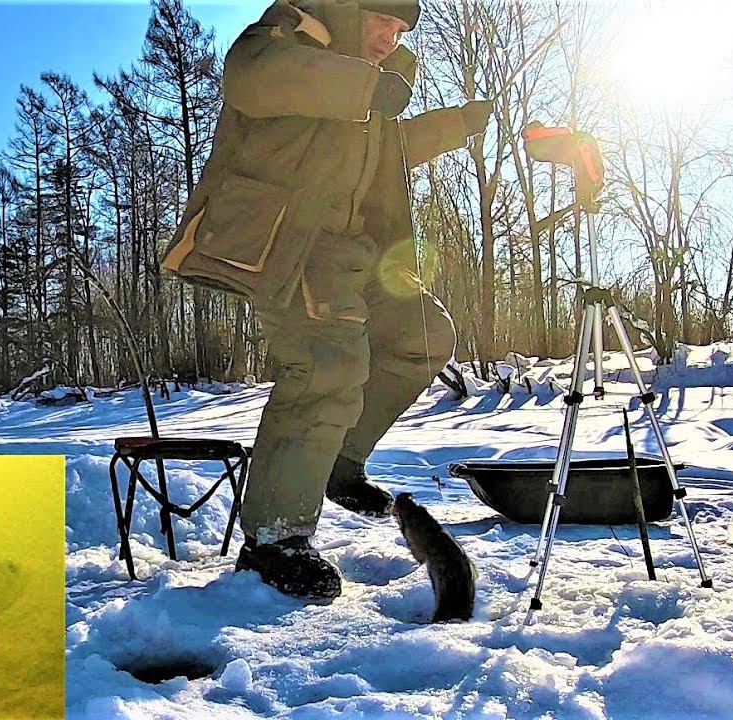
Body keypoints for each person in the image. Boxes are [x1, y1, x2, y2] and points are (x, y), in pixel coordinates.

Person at [161, 0, 491, 600]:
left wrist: (460, 124)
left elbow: (394, 149)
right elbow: (250, 77)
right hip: (294, 243)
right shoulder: (292, 37)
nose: (392, 37)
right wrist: (364, 88)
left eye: (401, 30)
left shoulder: (371, 93)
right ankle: (275, 540)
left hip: (354, 251)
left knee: (423, 334)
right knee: (326, 366)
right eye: (382, 21)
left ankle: (339, 460)